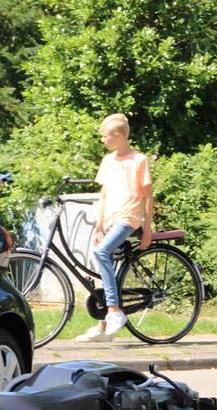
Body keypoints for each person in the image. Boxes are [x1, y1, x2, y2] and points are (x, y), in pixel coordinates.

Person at [76, 113, 153, 342]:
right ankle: (102, 328)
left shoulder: (139, 160)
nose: (103, 141)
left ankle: (114, 312)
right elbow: (104, 195)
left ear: (118, 136)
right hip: (109, 220)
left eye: (105, 137)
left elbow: (147, 197)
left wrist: (147, 230)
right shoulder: (108, 161)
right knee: (104, 263)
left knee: (101, 253)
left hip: (128, 218)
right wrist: (99, 225)